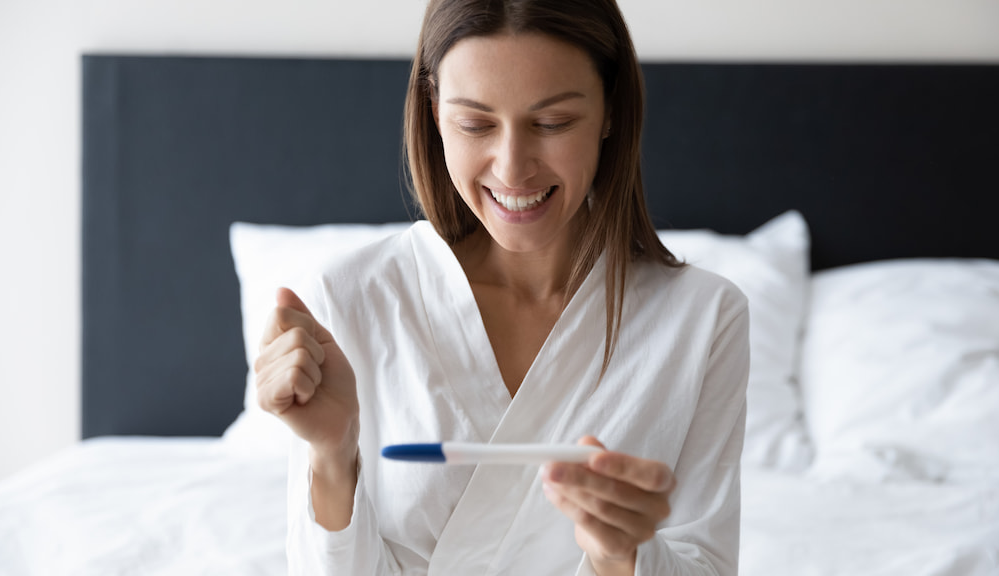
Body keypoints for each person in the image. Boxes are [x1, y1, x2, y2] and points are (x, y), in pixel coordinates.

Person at [253, 0, 749, 574]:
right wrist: (332, 456)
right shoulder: (349, 297)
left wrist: (622, 555)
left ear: (610, 111)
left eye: (552, 123)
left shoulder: (704, 318)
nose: (513, 170)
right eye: (476, 124)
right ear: (435, 113)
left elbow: (705, 563)